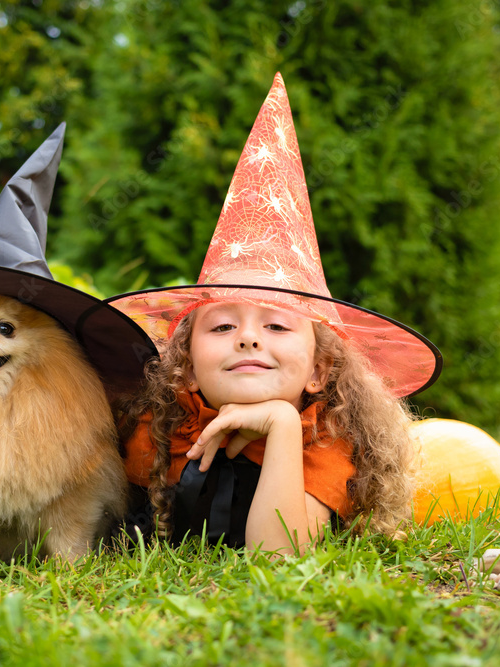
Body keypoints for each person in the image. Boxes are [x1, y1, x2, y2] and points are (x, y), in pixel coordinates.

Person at [107, 74, 443, 555]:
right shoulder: (157, 425)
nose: (247, 338)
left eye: (277, 325)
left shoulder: (328, 438)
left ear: (319, 370)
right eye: (222, 325)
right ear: (184, 364)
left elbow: (276, 558)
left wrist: (281, 427)